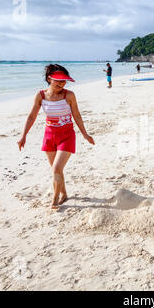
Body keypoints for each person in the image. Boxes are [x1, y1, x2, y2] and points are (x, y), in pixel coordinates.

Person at [17, 64, 95, 210]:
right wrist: (23, 136)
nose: (61, 83)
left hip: (67, 136)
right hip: (49, 136)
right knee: (56, 170)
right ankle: (64, 194)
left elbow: (76, 115)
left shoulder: (69, 95)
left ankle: (55, 199)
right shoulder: (40, 95)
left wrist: (85, 134)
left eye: (64, 81)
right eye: (58, 80)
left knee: (56, 169)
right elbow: (32, 116)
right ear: (49, 79)